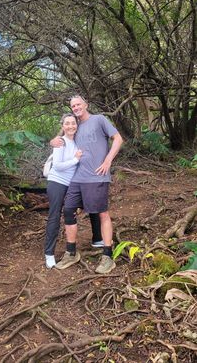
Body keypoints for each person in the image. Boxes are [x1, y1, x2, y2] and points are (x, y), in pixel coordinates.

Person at [52, 95, 123, 274]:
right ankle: (71, 253)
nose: (76, 107)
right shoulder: (75, 126)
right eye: (73, 106)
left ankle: (107, 256)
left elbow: (118, 139)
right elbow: (61, 137)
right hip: (78, 177)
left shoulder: (98, 120)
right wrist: (52, 141)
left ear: (86, 105)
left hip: (97, 176)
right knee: (68, 210)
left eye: (78, 104)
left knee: (102, 213)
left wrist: (108, 161)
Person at [44, 113, 103, 269]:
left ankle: (98, 239)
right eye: (67, 123)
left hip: (73, 183)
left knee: (92, 204)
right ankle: (49, 253)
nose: (70, 126)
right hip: (57, 182)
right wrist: (75, 159)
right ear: (62, 126)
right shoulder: (61, 142)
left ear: (77, 125)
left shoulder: (78, 141)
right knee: (55, 215)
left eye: (73, 123)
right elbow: (57, 166)